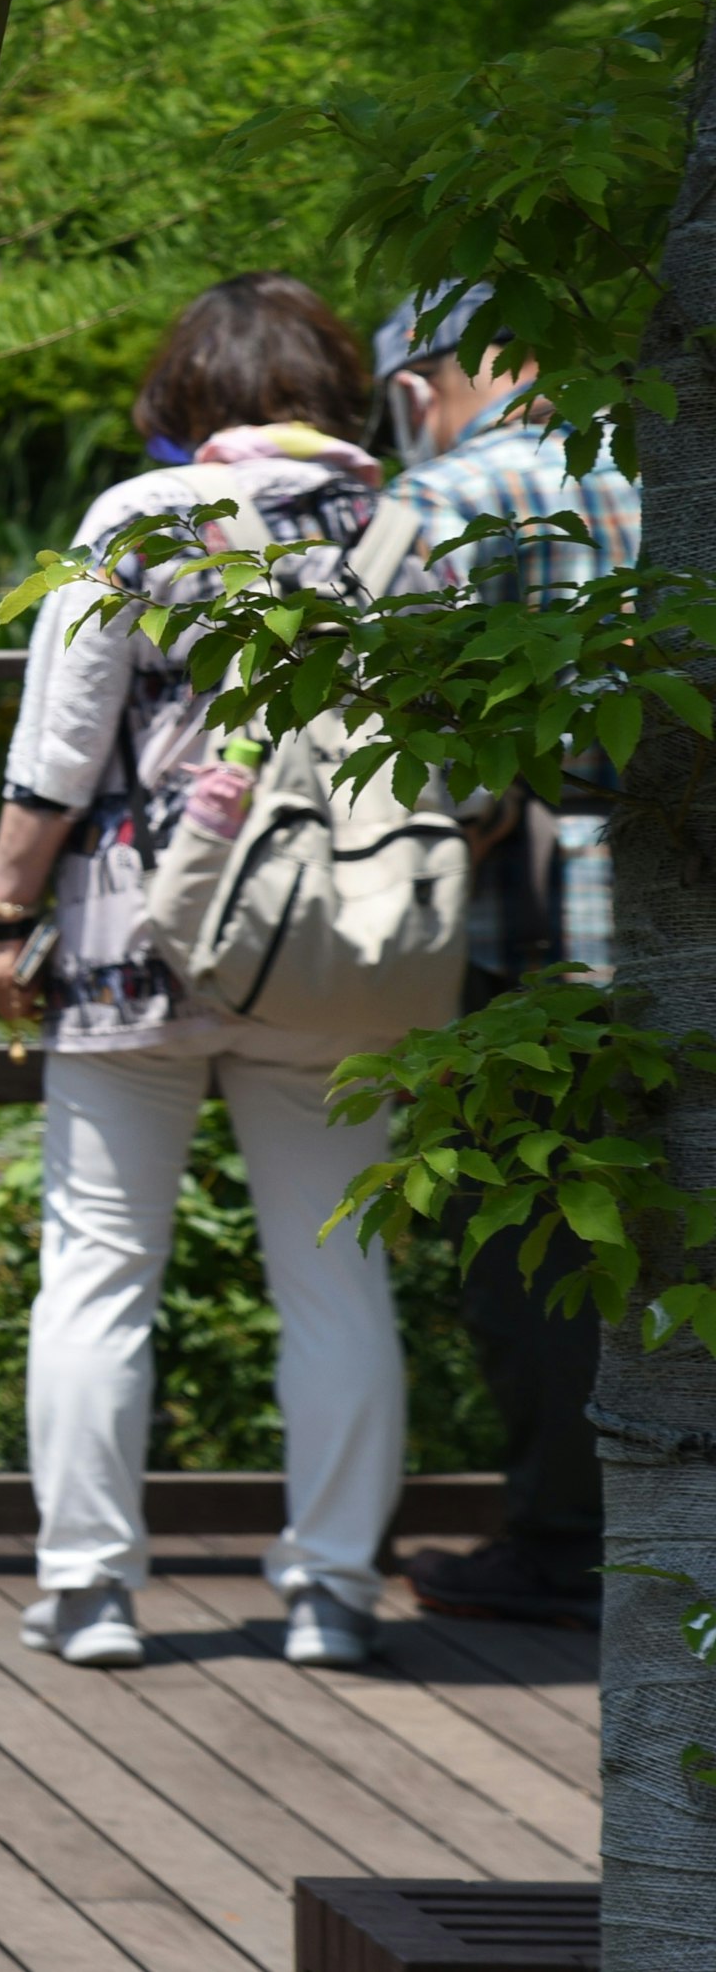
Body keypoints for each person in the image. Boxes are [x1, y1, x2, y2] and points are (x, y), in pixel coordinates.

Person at [0, 273, 419, 1672]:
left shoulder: (141, 518)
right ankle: (333, 1588)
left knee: (101, 1266)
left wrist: (1, 907)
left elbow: (62, 744)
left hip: (134, 942)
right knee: (339, 1271)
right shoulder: (405, 527)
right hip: (333, 941)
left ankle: (91, 1585)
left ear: (188, 394)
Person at [371, 282, 640, 1631]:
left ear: (418, 388)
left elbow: (409, 752)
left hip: (536, 929)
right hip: (676, 908)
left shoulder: (444, 497)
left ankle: (561, 1536)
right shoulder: (660, 460)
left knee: (537, 1237)